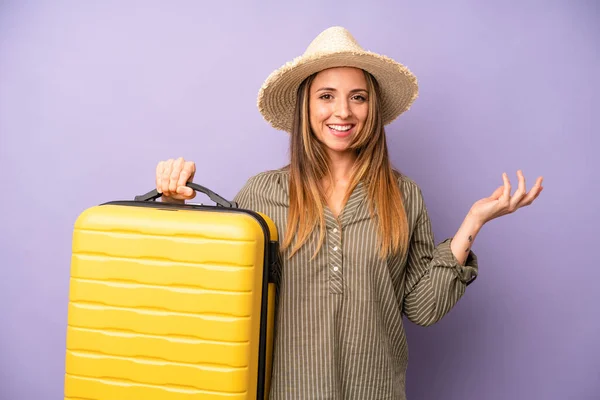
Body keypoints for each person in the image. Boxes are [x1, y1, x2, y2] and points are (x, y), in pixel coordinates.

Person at [153, 27, 543, 399]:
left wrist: (472, 223)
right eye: (326, 96)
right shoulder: (262, 193)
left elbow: (423, 309)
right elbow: (213, 295)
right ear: (305, 107)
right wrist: (173, 205)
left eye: (358, 97)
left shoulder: (403, 195)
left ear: (371, 108)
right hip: (283, 391)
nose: (343, 111)